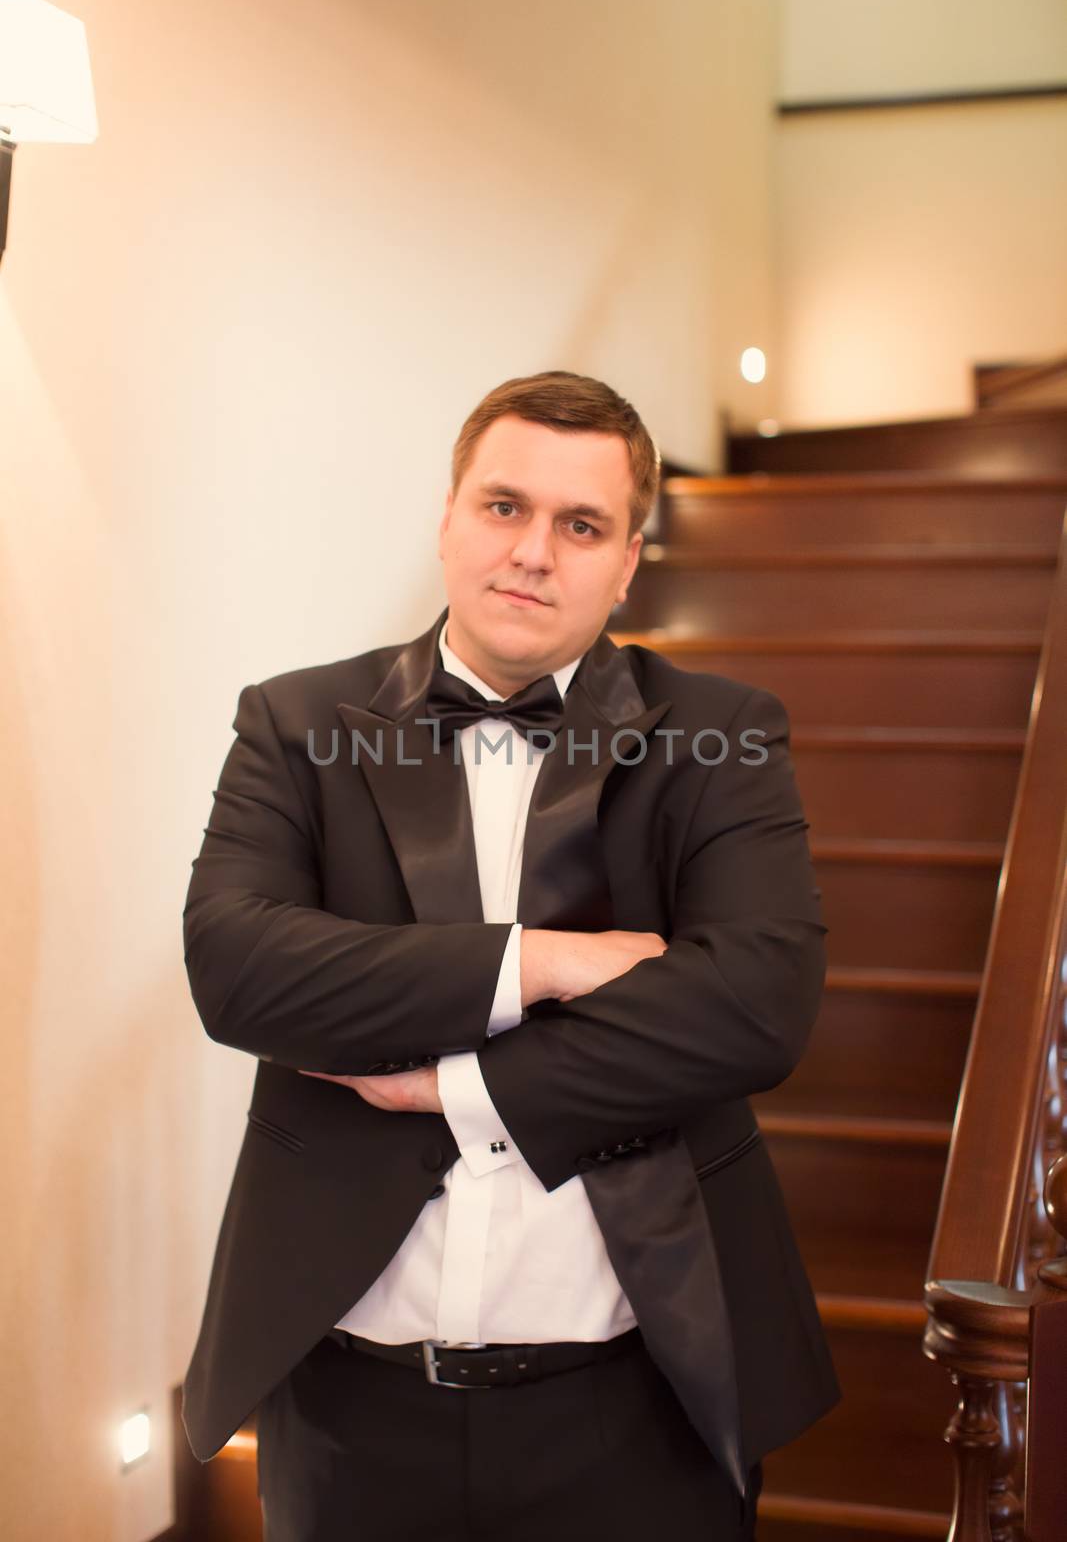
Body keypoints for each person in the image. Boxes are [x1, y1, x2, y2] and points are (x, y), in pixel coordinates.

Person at [180, 370, 840, 1541]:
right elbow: (238, 967)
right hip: (346, 1404)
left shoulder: (720, 733)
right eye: (503, 507)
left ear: (627, 562)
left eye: (579, 525)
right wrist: (541, 962)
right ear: (446, 519)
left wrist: (450, 1085)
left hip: (639, 1403)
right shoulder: (292, 722)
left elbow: (757, 1006)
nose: (533, 551)